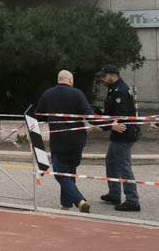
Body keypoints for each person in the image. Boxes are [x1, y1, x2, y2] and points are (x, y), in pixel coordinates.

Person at [33, 70, 94, 213]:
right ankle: (65, 204)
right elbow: (89, 115)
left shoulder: (48, 94)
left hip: (59, 140)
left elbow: (38, 115)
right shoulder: (78, 94)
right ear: (70, 81)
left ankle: (79, 200)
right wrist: (109, 125)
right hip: (77, 139)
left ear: (59, 80)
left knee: (60, 173)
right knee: (70, 172)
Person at [97, 64, 142, 212]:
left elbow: (121, 115)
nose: (103, 79)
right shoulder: (114, 88)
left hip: (124, 133)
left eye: (104, 76)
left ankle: (132, 200)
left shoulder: (120, 90)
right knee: (111, 161)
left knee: (123, 166)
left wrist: (108, 125)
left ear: (113, 75)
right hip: (118, 133)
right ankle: (114, 193)